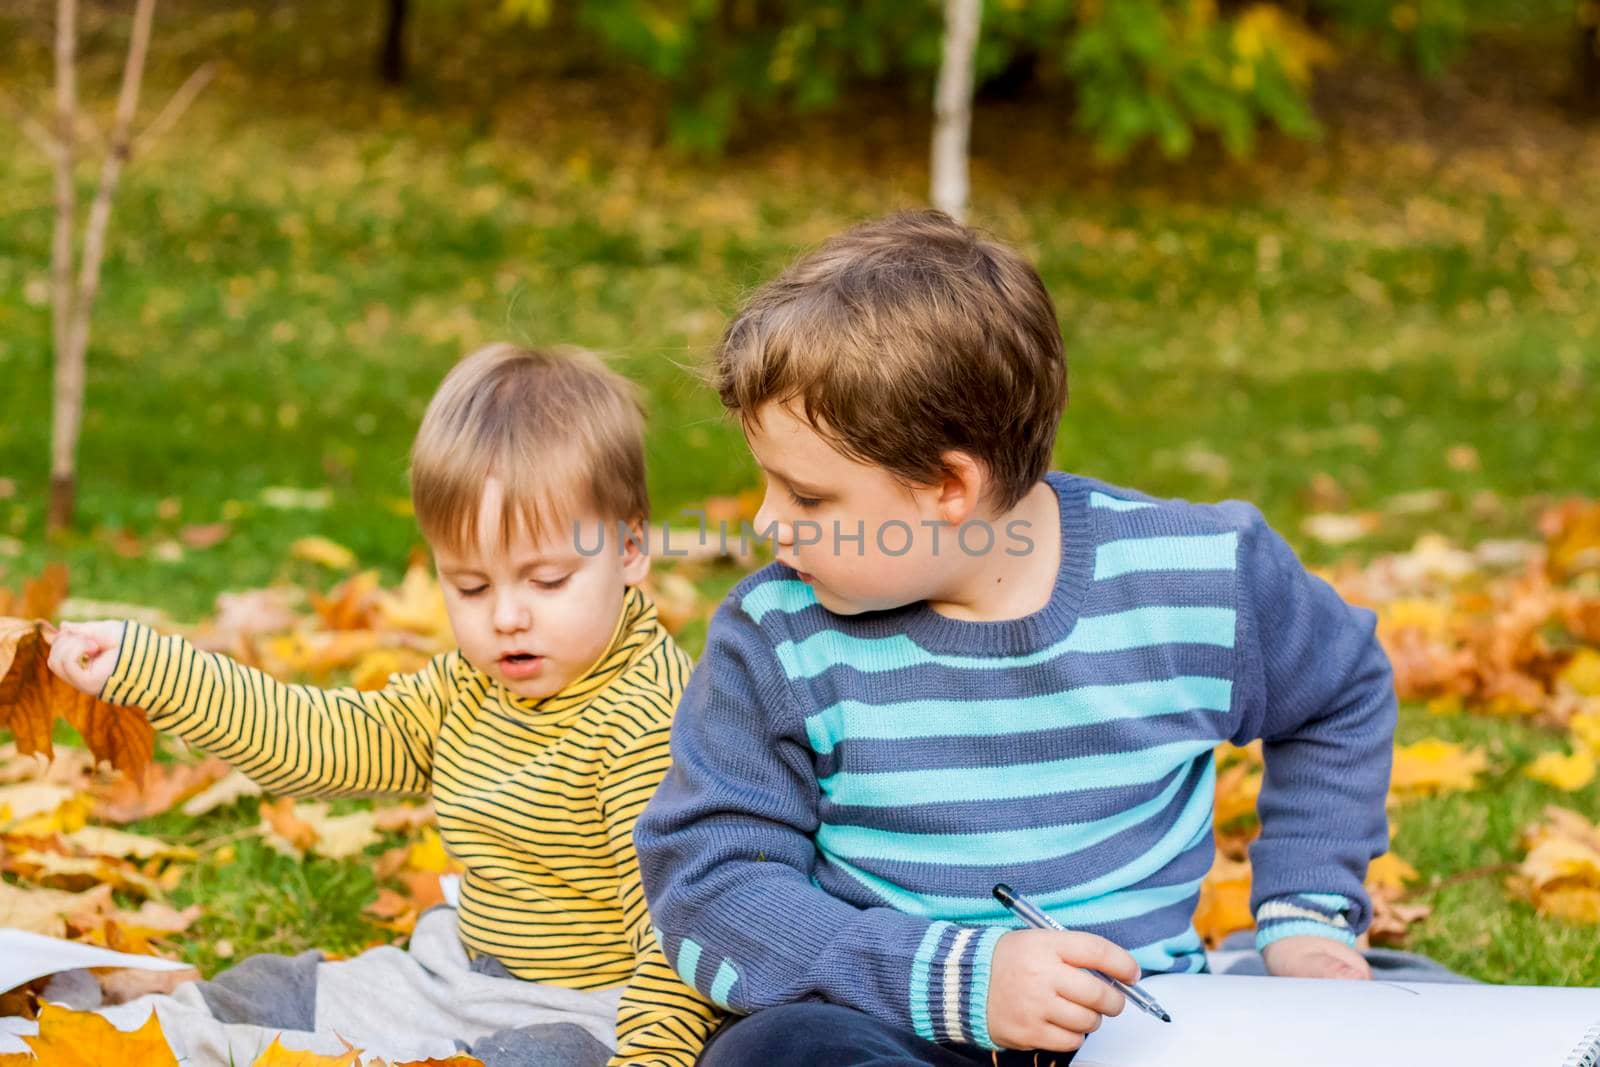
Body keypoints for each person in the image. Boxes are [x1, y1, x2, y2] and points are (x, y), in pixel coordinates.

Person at [633, 211, 1398, 1066]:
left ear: (948, 485)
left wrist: (1306, 912)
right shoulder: (777, 636)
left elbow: (1343, 690)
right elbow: (711, 884)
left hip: (1148, 1029)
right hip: (889, 1025)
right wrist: (956, 980)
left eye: (808, 498)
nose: (768, 522)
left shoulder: (1197, 577)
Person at [43, 344, 720, 1067]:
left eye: (547, 580)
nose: (507, 616)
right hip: (454, 975)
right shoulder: (470, 684)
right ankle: (96, 1038)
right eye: (470, 586)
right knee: (272, 991)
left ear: (631, 548)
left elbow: (682, 943)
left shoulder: (649, 724)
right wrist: (153, 670)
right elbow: (323, 741)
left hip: (595, 1011)